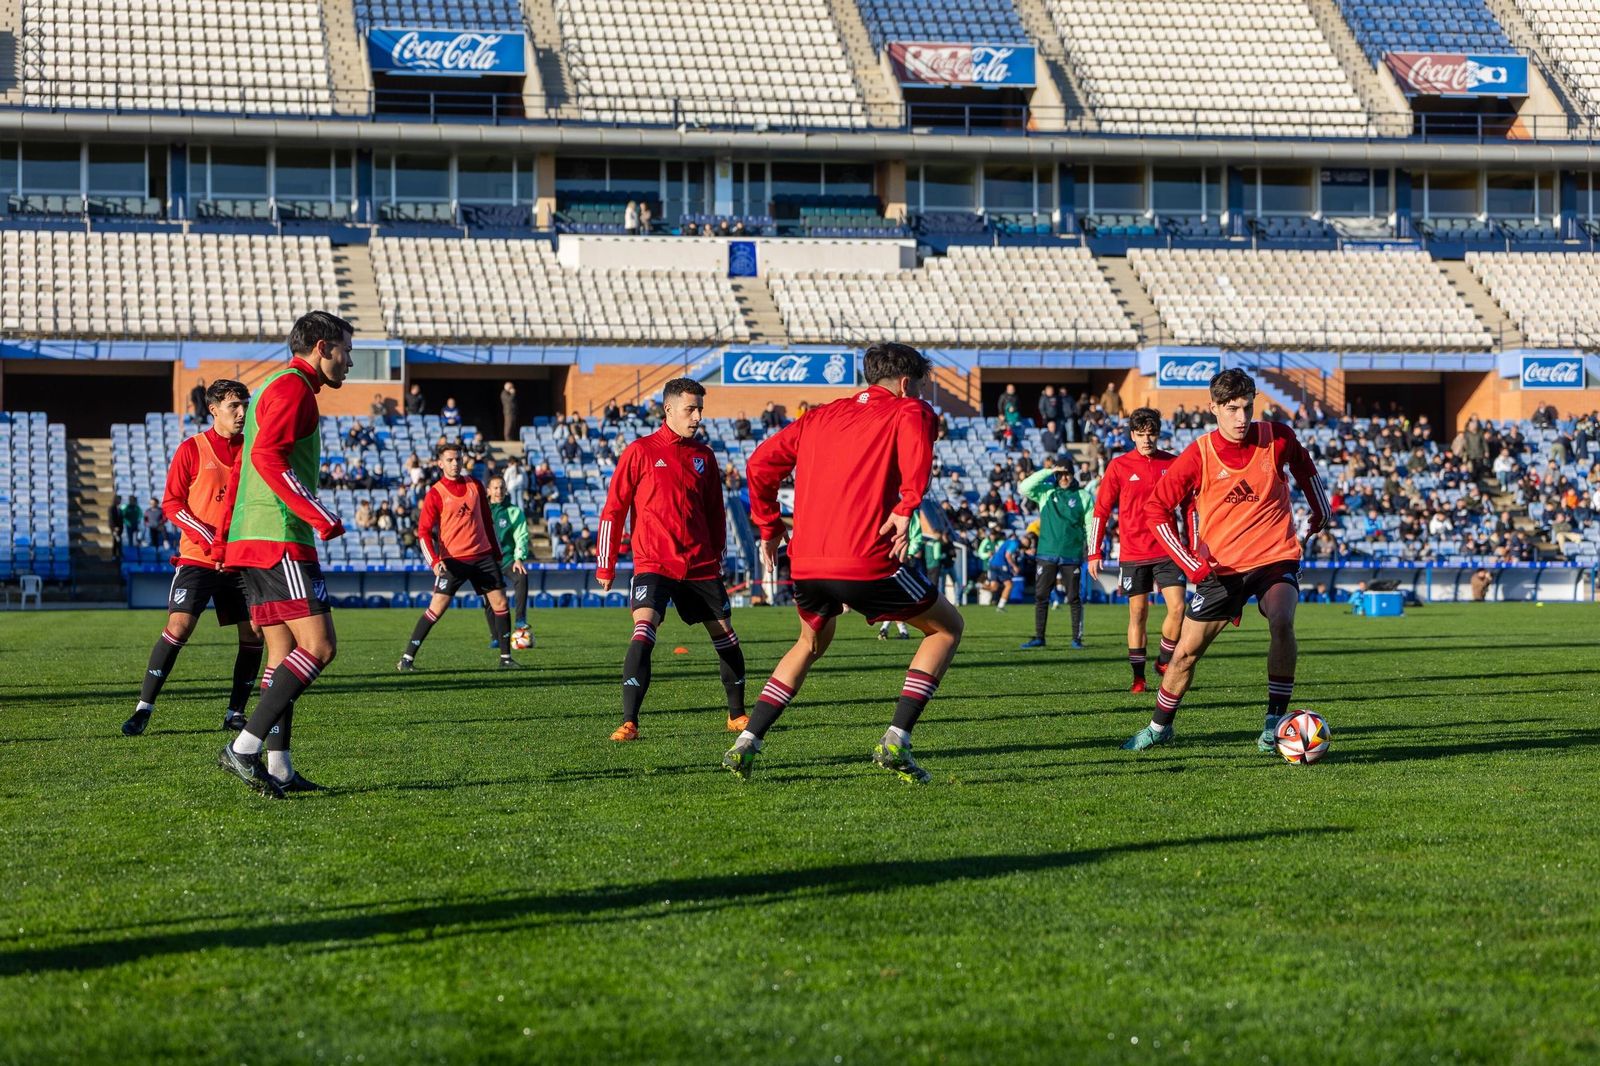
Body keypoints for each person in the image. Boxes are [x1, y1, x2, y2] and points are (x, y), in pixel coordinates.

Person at [732, 342, 964, 783]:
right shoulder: (907, 409)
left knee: (808, 644)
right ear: (904, 383)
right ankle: (897, 738)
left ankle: (747, 742)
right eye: (920, 388)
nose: (921, 397)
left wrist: (768, 525)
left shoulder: (817, 416)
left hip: (807, 564)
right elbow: (918, 435)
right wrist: (908, 503)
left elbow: (760, 463)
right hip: (865, 559)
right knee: (947, 627)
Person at [1124, 369, 1330, 753]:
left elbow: (1304, 467)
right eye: (1232, 409)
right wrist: (1190, 564)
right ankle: (1159, 727)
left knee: (1282, 621)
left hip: (1274, 557)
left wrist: (1319, 511)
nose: (1241, 418)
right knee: (1184, 656)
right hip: (1222, 569)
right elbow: (1156, 510)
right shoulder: (1198, 454)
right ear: (1214, 408)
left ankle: (1274, 723)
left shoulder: (1277, 437)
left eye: (1247, 408)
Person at [216, 311, 352, 797]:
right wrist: (317, 513)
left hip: (250, 538)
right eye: (346, 351)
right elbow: (265, 456)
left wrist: (223, 538)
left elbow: (242, 466)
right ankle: (245, 747)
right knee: (320, 647)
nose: (349, 362)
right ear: (321, 347)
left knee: (282, 653)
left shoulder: (274, 386)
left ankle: (279, 768)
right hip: (280, 536)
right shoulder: (294, 387)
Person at [595, 378, 747, 740]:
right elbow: (613, 509)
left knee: (725, 634)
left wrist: (718, 557)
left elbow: (715, 513)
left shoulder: (704, 456)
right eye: (690, 409)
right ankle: (630, 721)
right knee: (644, 627)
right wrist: (606, 563)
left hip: (699, 565)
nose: (697, 417)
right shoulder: (640, 451)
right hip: (654, 562)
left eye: (700, 410)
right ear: (669, 409)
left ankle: (737, 714)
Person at [121, 380, 265, 738]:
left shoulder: (253, 450)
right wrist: (210, 539)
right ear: (213, 409)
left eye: (244, 405)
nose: (242, 412)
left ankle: (235, 712)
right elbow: (172, 503)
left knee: (255, 633)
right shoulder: (192, 448)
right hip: (198, 558)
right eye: (234, 406)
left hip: (239, 561)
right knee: (179, 627)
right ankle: (144, 709)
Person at [397, 441, 521, 672]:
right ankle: (406, 659)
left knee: (501, 603)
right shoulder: (435, 493)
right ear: (440, 463)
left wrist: (495, 553)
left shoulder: (475, 484)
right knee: (436, 609)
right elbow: (423, 532)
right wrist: (434, 561)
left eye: (458, 459)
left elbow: (486, 520)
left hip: (483, 557)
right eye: (450, 460)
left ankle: (506, 658)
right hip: (454, 561)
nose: (455, 463)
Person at [1089, 407, 1188, 692]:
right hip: (1133, 552)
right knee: (1138, 613)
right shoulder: (1119, 466)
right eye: (1141, 434)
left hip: (1168, 548)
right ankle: (1139, 677)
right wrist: (1094, 552)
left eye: (1151, 434)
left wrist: (1192, 544)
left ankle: (1165, 659)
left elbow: (1188, 505)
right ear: (1132, 435)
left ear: (1158, 434)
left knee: (1178, 607)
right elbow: (1101, 511)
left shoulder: (1173, 463)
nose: (1146, 440)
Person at [1018, 458, 1094, 651]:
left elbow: (1090, 525)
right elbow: (1024, 487)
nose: (1064, 477)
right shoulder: (1046, 492)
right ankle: (1039, 637)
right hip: (1047, 552)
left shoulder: (1083, 496)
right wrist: (1048, 471)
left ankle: (1077, 638)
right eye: (1060, 474)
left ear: (1073, 474)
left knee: (1074, 598)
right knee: (1041, 596)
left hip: (1071, 554)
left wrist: (1091, 551)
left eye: (1067, 473)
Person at [483, 473, 533, 647]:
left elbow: (521, 536)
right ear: (488, 491)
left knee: (521, 576)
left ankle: (520, 619)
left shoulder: (514, 511)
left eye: (502, 487)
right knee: (489, 600)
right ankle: (495, 637)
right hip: (487, 562)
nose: (499, 491)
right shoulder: (482, 512)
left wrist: (519, 558)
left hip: (508, 560)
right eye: (495, 488)